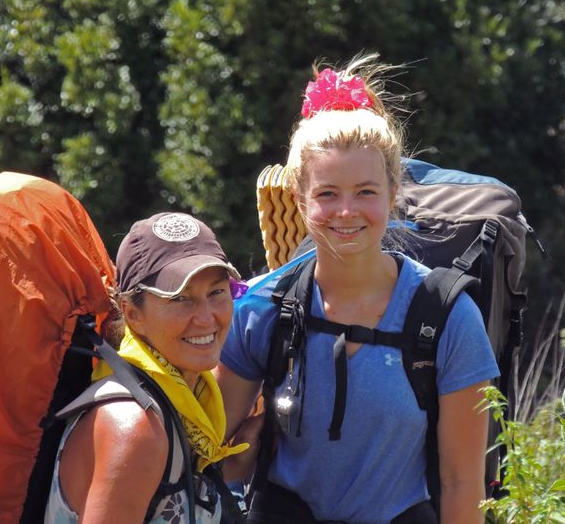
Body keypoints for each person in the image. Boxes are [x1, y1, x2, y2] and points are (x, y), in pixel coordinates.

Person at [215, 55, 499, 523]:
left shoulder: (445, 317)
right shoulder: (263, 308)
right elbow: (210, 447)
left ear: (393, 193)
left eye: (366, 192)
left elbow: (460, 482)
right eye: (328, 194)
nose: (346, 212)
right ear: (300, 198)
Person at [45, 212, 259, 523]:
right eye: (179, 299)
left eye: (216, 292)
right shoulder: (135, 426)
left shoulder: (181, 403)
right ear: (133, 314)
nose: (206, 317)